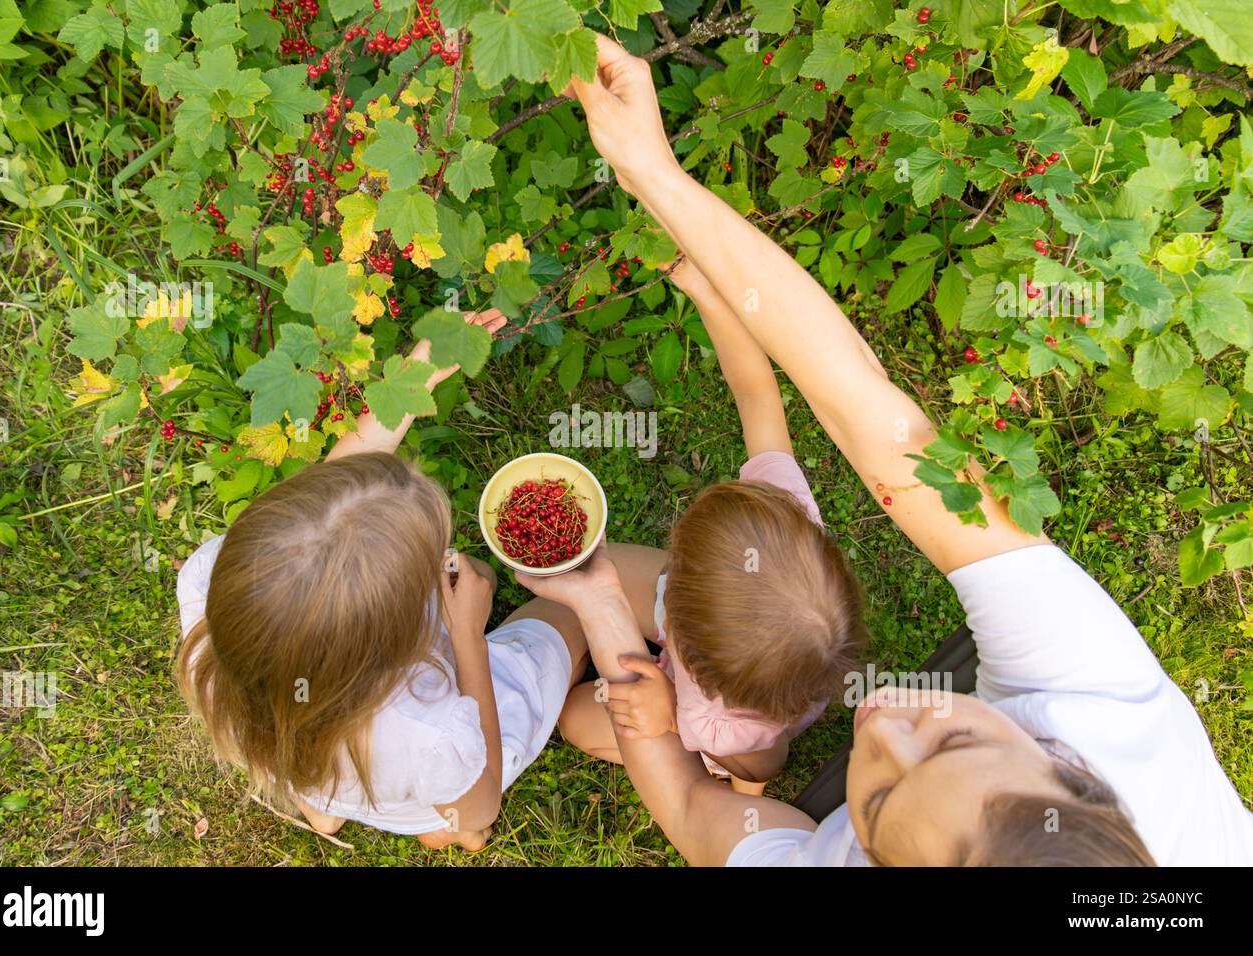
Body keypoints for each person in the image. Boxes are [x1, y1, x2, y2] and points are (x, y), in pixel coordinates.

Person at [514, 34, 1253, 866]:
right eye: (953, 746)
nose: (878, 720)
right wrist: (654, 173)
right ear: (1077, 778)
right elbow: (889, 430)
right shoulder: (1107, 714)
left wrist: (612, 622)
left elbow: (694, 809)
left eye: (876, 800)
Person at [175, 310, 589, 851]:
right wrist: (467, 638)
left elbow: (329, 502)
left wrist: (414, 379)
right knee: (566, 621)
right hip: (436, 778)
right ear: (396, 637)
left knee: (339, 785)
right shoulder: (430, 733)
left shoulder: (215, 587)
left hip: (326, 772)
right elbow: (482, 797)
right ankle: (443, 831)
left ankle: (326, 811)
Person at [564, 255, 867, 795]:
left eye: (678, 570)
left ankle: (709, 772)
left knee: (577, 719)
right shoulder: (782, 517)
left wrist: (672, 718)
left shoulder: (721, 724)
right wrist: (706, 289)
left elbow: (763, 764)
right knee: (596, 562)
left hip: (705, 730)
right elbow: (757, 393)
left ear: (680, 632)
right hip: (732, 657)